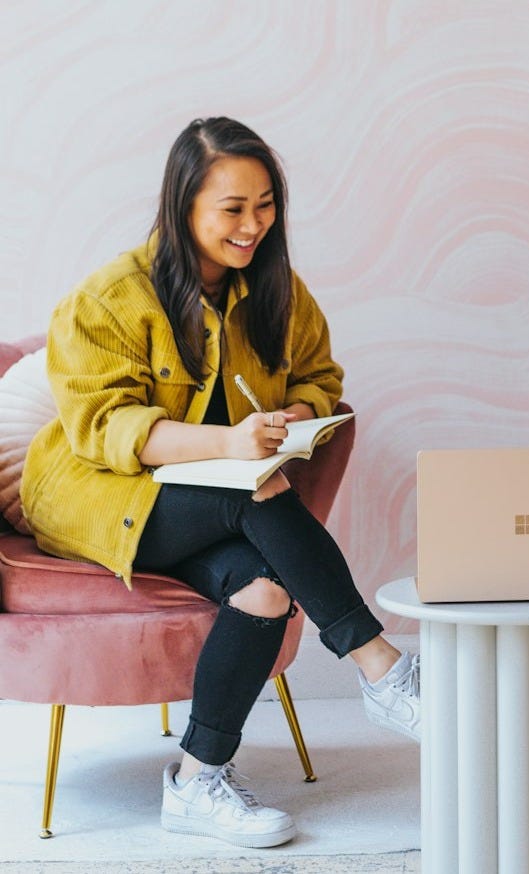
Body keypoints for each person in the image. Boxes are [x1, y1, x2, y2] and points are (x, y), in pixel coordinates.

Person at [21, 117, 420, 849]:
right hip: (99, 497)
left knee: (264, 594)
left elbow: (320, 376)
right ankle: (382, 668)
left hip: (212, 507)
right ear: (183, 207)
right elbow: (110, 430)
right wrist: (230, 444)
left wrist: (298, 413)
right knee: (256, 491)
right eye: (232, 208)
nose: (253, 225)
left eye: (265, 204)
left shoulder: (275, 289)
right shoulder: (109, 295)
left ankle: (198, 779)